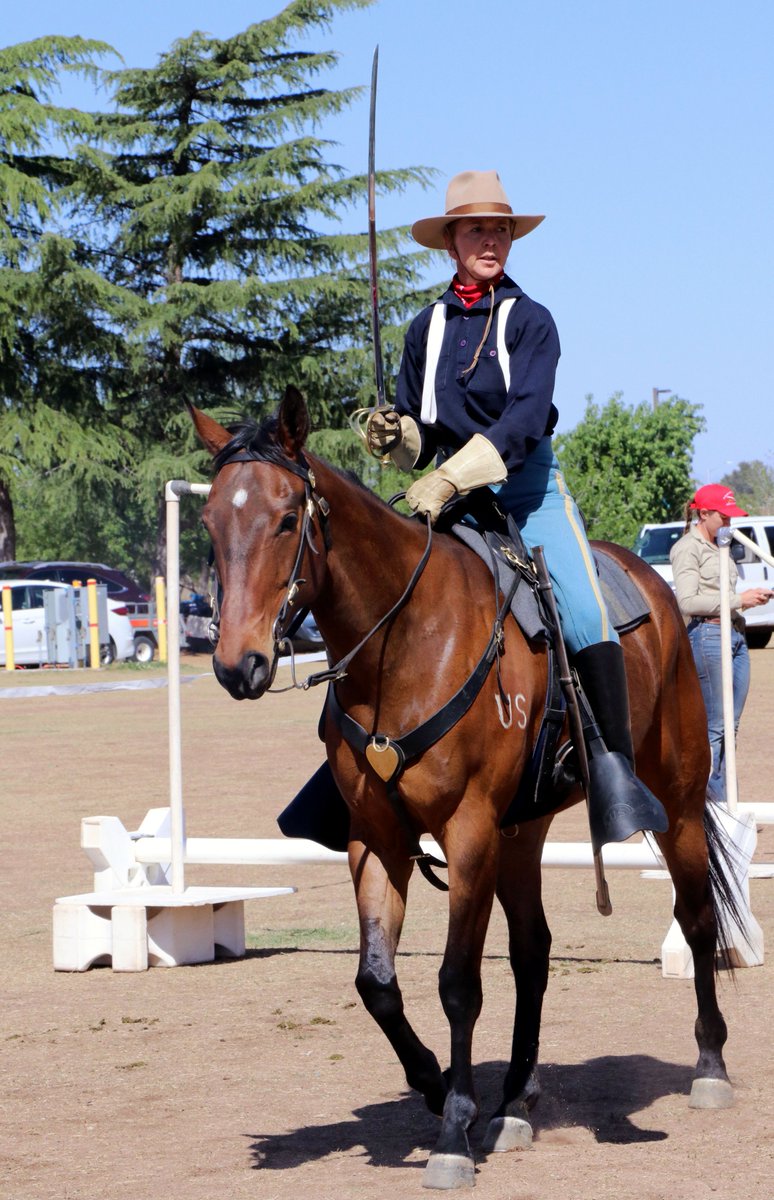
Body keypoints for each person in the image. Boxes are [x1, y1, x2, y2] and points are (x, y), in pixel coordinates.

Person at [365, 169, 666, 846]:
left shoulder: (532, 321)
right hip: (451, 502)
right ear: (452, 243)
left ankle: (615, 772)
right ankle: (348, 774)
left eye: (500, 229)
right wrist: (397, 439)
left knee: (587, 612)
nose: (491, 240)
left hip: (528, 495)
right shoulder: (425, 328)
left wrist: (446, 477)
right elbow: (418, 435)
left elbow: (526, 420)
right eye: (477, 229)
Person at [670, 483, 771, 802]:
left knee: (731, 725)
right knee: (714, 726)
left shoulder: (721, 545)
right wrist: (738, 599)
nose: (729, 523)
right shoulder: (688, 547)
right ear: (704, 514)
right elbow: (687, 601)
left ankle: (726, 799)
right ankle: (710, 804)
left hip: (735, 635)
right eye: (724, 517)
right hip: (708, 636)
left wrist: (748, 599)